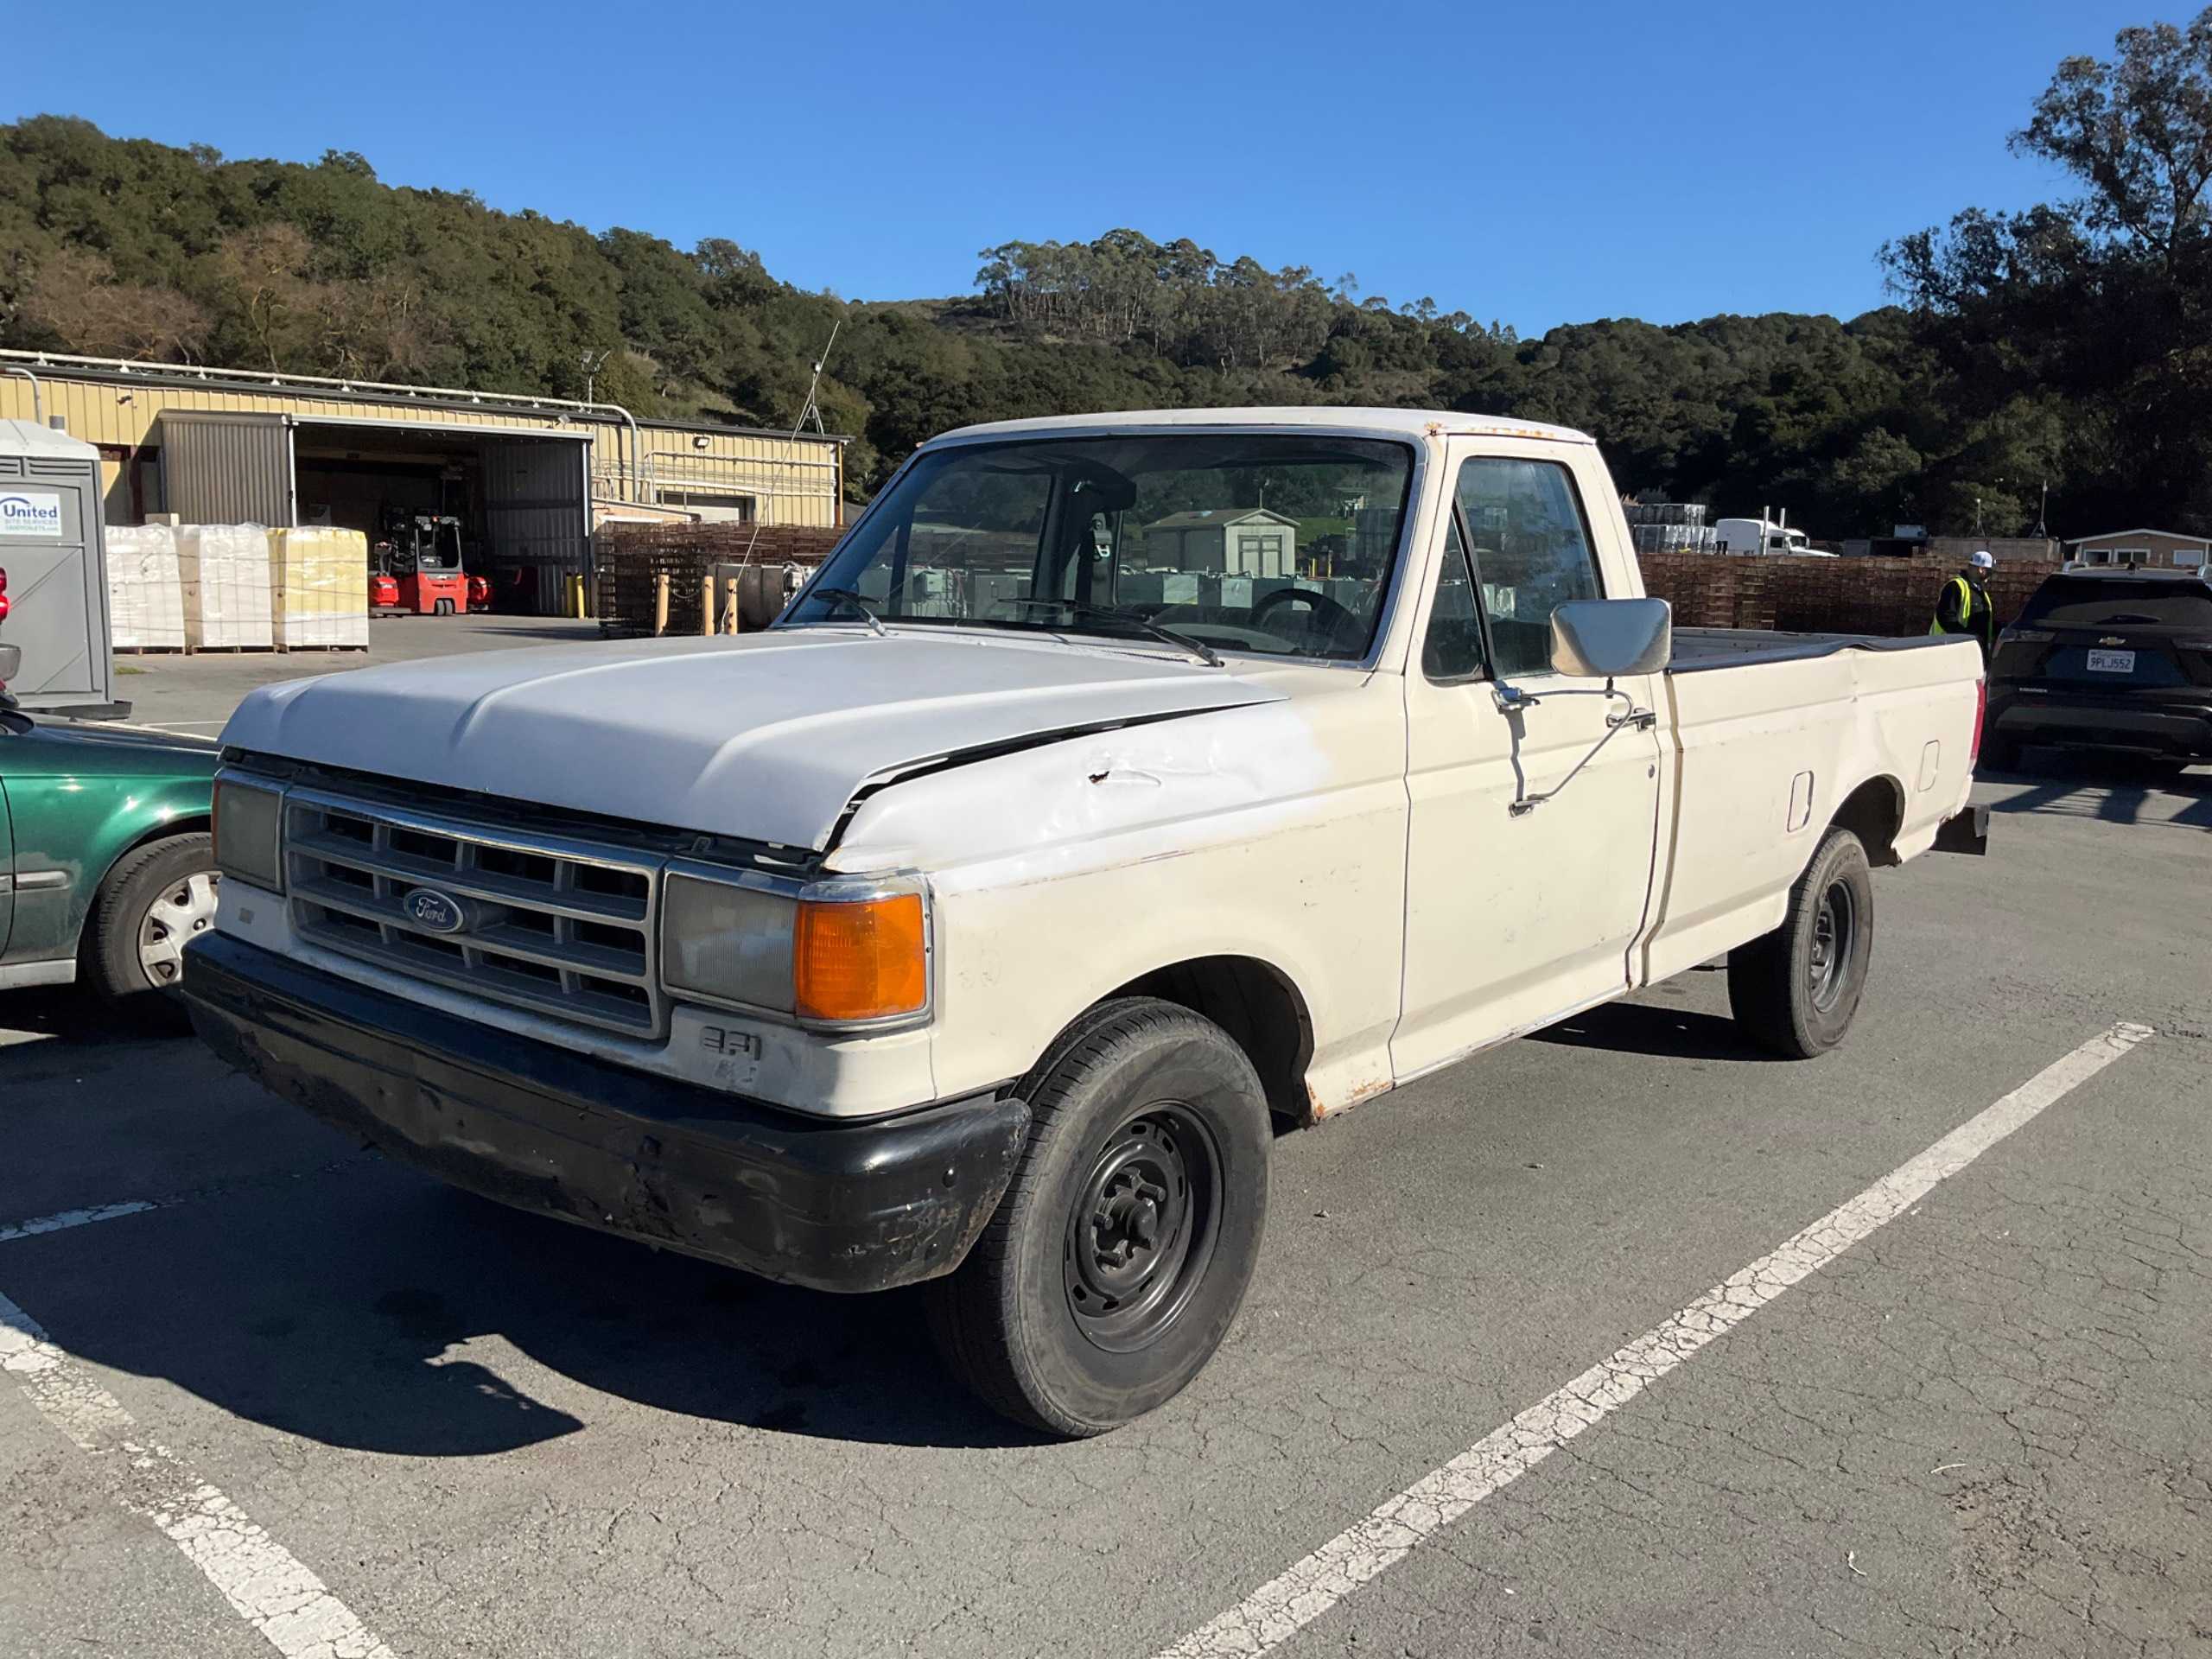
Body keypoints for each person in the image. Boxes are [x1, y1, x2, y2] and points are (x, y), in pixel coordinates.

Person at [1930, 549, 1999, 662]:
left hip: (1973, 652)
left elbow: (1984, 621)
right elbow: (1946, 618)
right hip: (1952, 651)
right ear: (1982, 570)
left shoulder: (1979, 591)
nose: (1990, 576)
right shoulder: (1955, 587)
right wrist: (1968, 637)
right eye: (1990, 572)